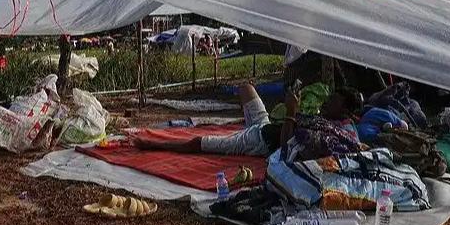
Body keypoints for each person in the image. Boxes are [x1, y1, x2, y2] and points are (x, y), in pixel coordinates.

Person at [134, 82, 363, 158]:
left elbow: (285, 149)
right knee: (246, 88)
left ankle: (152, 144)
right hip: (265, 126)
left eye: (332, 100)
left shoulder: (331, 136)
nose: (325, 102)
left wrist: (292, 111)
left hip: (260, 141)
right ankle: (244, 124)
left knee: (198, 143)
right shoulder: (340, 125)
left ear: (344, 109)